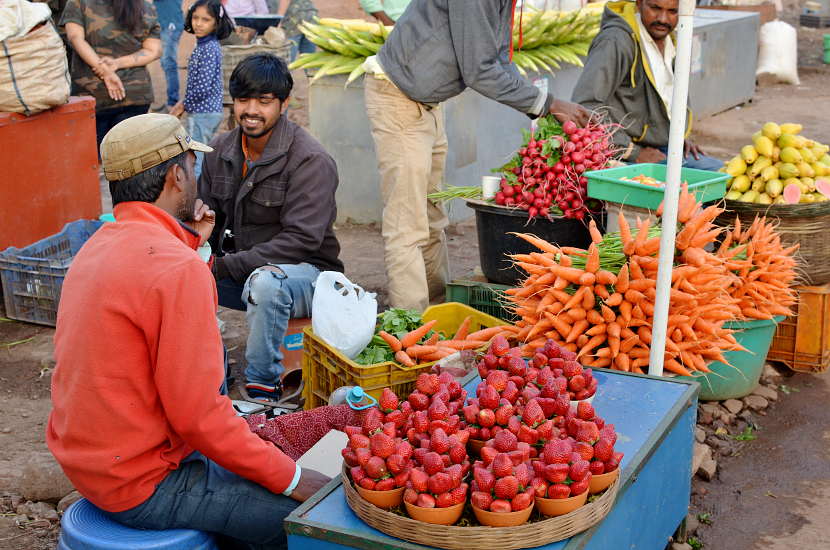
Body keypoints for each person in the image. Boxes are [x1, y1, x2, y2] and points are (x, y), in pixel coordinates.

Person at [46, 113, 330, 549]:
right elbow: (199, 417)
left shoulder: (99, 245)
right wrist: (294, 479)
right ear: (176, 176)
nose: (196, 176)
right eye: (192, 166)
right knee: (310, 520)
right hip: (142, 484)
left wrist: (190, 243)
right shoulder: (176, 269)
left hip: (92, 463)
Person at [364, 0, 590, 313]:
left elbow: (497, 60)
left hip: (428, 104)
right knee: (408, 226)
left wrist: (541, 106)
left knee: (432, 218)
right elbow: (479, 71)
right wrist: (548, 103)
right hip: (398, 98)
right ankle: (412, 332)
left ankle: (437, 310)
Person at [199, 54, 343, 403]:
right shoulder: (219, 149)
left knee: (266, 283)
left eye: (264, 102)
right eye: (243, 100)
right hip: (241, 269)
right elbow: (204, 214)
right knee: (180, 271)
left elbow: (300, 241)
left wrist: (222, 265)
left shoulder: (310, 160)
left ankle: (262, 390)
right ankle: (212, 374)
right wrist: (197, 247)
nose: (251, 110)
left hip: (308, 276)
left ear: (283, 104)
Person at [572, 0, 723, 170]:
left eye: (673, 11)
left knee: (721, 174)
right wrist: (632, 152)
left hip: (661, 145)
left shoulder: (671, 40)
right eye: (655, 8)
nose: (663, 19)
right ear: (639, 3)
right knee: (709, 179)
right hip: (625, 150)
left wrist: (675, 137)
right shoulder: (616, 41)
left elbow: (663, 98)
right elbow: (586, 106)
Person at [61, 0, 162, 147]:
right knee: (129, 159)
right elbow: (154, 50)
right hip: (136, 95)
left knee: (96, 161)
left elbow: (75, 38)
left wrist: (105, 71)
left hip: (93, 95)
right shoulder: (145, 6)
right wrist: (115, 64)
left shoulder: (78, 2)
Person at [169, 0, 234, 177]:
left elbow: (202, 88)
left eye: (205, 19)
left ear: (216, 23)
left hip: (202, 113)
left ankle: (195, 196)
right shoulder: (205, 46)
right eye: (195, 18)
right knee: (199, 154)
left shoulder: (208, 49)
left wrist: (184, 104)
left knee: (195, 157)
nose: (198, 23)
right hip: (205, 111)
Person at [153, 0, 184, 113]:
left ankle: (173, 102)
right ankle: (172, 101)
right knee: (166, 62)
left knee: (169, 62)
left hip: (171, 23)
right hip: (165, 21)